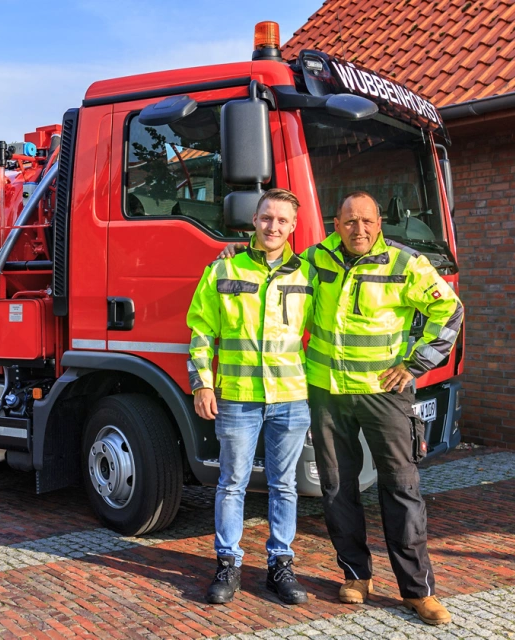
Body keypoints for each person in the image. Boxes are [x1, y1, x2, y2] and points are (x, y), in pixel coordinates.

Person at [218, 191, 463, 625]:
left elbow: (450, 310)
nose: (359, 229)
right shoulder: (315, 259)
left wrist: (415, 364)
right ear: (337, 224)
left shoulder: (405, 263)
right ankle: (355, 575)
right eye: (350, 221)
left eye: (367, 221)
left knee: (401, 487)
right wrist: (238, 251)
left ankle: (417, 591)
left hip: (384, 393)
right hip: (326, 392)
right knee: (337, 488)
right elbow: (273, 261)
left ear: (379, 223)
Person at [187, 188, 317, 605]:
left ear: (293, 226)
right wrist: (202, 383)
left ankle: (281, 565)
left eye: (282, 220)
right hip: (238, 397)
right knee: (231, 484)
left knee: (285, 485)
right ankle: (228, 564)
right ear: (254, 221)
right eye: (266, 218)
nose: (273, 226)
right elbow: (201, 331)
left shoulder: (308, 275)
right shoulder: (224, 268)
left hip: (291, 396)